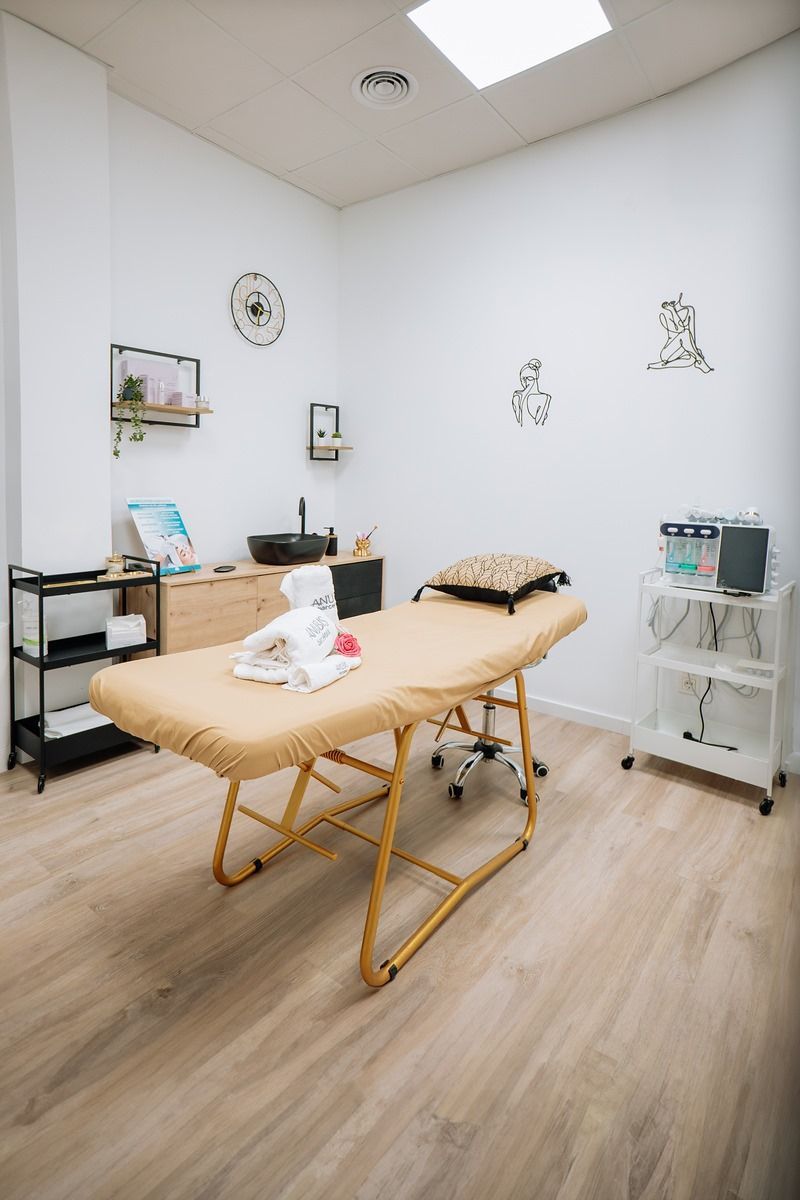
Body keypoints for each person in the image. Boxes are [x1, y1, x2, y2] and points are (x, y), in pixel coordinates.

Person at [648, 293, 713, 372]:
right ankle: (698, 359)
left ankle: (696, 357)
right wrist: (672, 310)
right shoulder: (665, 313)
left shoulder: (689, 309)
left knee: (691, 358)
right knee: (684, 333)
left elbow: (692, 331)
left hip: (683, 349)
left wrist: (695, 347)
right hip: (668, 353)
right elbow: (680, 329)